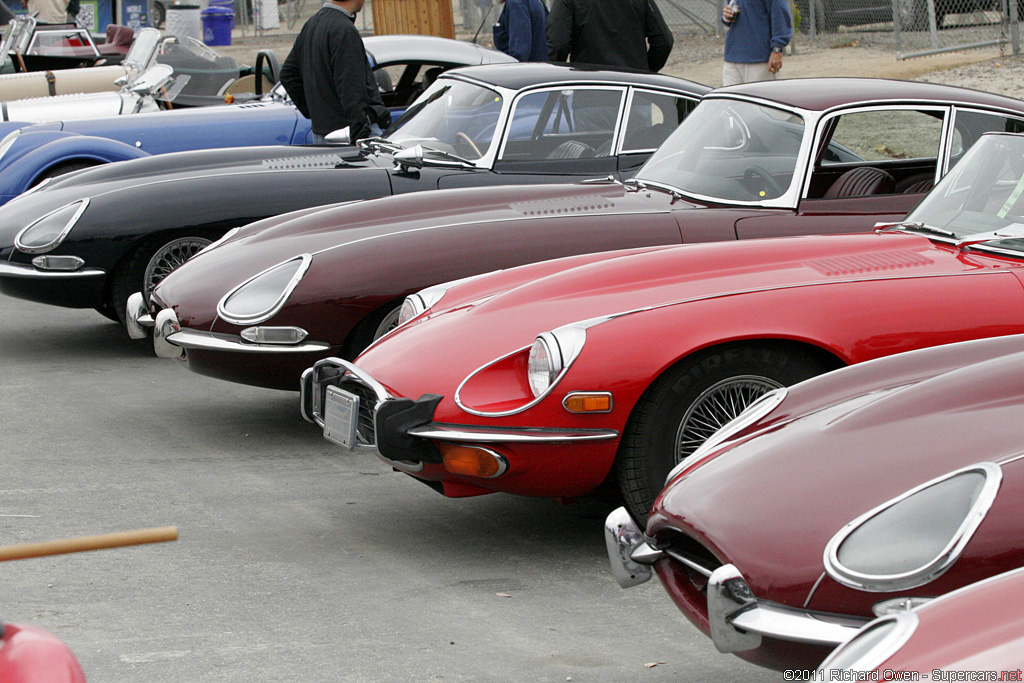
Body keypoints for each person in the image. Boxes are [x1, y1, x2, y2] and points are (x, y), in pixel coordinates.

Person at [279, 0, 390, 144]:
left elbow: (288, 74)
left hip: (323, 132)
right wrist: (359, 132)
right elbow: (351, 87)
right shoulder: (344, 30)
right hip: (351, 135)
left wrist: (318, 113)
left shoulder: (312, 24)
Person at [546, 0, 674, 73]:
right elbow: (664, 42)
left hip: (590, 91)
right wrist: (642, 72)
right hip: (633, 92)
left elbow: (558, 45)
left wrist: (559, 77)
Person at [721, 0, 792, 86]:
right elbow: (733, 13)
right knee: (731, 98)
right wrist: (727, 16)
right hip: (732, 57)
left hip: (760, 59)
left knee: (758, 97)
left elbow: (780, 17)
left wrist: (777, 48)